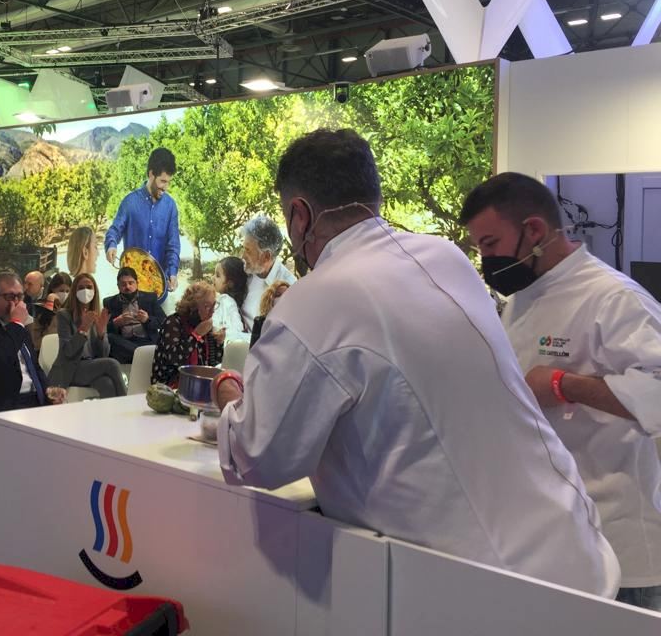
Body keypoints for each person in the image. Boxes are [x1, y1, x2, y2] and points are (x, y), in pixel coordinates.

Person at [213, 128, 619, 596]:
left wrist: (228, 393)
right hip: (576, 549)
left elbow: (258, 459)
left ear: (300, 215)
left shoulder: (313, 302)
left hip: (495, 594)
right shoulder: (446, 257)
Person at [461, 172, 661, 610]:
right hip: (555, 541)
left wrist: (563, 384)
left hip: (621, 544)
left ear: (534, 230)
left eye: (490, 244)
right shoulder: (521, 300)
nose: (486, 259)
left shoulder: (614, 298)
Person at [0, 273, 66, 457]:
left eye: (20, 296)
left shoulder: (19, 328)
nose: (17, 303)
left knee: (71, 428)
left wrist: (48, 389)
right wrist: (16, 324)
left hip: (30, 401)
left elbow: (34, 367)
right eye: (11, 297)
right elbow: (0, 363)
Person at [105, 147, 180, 294]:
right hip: (131, 289)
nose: (165, 187)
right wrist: (111, 245)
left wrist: (172, 272)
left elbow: (173, 245)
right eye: (162, 181)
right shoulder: (129, 202)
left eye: (168, 182)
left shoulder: (170, 206)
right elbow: (115, 230)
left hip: (158, 290)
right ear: (151, 174)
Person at [50, 273, 127, 398]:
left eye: (89, 287)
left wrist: (101, 334)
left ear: (95, 291)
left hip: (90, 366)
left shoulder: (97, 315)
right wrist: (83, 329)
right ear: (74, 291)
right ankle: (127, 405)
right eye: (81, 287)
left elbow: (103, 355)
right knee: (112, 364)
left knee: (107, 384)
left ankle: (112, 411)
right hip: (70, 369)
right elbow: (68, 352)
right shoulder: (64, 315)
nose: (85, 291)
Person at [151, 281, 224, 387]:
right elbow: (175, 360)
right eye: (207, 306)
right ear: (193, 306)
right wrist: (196, 335)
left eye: (214, 305)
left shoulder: (205, 324)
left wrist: (219, 343)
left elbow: (214, 364)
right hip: (169, 386)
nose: (212, 311)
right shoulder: (172, 322)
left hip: (198, 384)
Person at [102, 266, 165, 364]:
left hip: (146, 341)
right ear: (118, 286)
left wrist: (147, 320)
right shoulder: (109, 302)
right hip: (124, 342)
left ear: (137, 283)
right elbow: (102, 329)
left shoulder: (150, 298)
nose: (127, 287)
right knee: (110, 338)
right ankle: (143, 355)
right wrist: (115, 323)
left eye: (131, 283)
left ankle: (139, 355)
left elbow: (163, 322)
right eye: (123, 284)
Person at [239, 214, 296, 322]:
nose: (243, 256)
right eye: (244, 248)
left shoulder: (289, 288)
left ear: (266, 257)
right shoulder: (244, 272)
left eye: (248, 251)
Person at [29, 272, 71, 354]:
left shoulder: (71, 310)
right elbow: (36, 341)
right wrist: (51, 303)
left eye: (67, 291)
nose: (65, 294)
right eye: (61, 290)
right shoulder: (40, 307)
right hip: (44, 352)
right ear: (53, 289)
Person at [212, 256, 251, 344]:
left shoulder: (227, 301)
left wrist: (226, 334)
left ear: (230, 283)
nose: (213, 278)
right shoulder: (222, 298)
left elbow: (238, 327)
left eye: (218, 275)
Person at [249, 280, 290, 347]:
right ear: (270, 299)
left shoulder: (293, 324)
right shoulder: (260, 322)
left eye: (286, 295)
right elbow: (253, 349)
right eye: (278, 295)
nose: (282, 298)